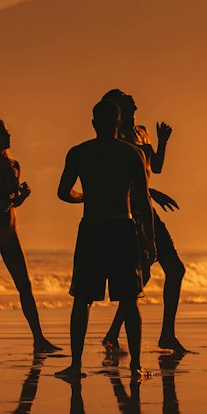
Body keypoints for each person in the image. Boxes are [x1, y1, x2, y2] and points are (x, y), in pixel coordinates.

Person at [57, 98, 156, 375]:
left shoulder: (78, 153)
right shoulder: (132, 153)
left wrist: (84, 197)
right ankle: (135, 365)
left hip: (92, 227)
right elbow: (143, 199)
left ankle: (75, 365)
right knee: (129, 298)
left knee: (82, 299)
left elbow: (64, 192)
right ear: (119, 123)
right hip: (122, 228)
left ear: (93, 123)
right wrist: (149, 239)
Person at [100, 89, 187, 357]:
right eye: (128, 104)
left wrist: (163, 142)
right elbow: (121, 184)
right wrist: (153, 194)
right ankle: (113, 335)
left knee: (175, 270)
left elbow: (154, 168)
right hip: (131, 213)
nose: (134, 106)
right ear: (117, 111)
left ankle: (167, 334)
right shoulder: (116, 142)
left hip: (148, 211)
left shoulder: (141, 131)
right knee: (142, 275)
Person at [0, 118, 60, 355]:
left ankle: (39, 339)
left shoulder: (14, 165)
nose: (9, 137)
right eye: (5, 133)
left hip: (9, 230)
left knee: (24, 285)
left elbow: (13, 200)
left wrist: (23, 197)